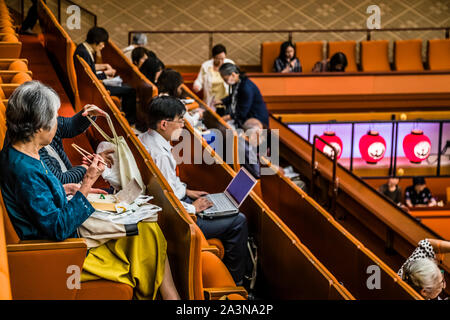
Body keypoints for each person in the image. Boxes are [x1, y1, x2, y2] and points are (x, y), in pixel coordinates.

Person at [0, 81, 179, 300]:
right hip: (62, 252)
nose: (57, 123)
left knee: (148, 231)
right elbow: (58, 228)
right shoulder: (24, 169)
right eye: (54, 118)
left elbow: (39, 196)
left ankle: (170, 297)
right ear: (39, 127)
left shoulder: (23, 151)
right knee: (146, 233)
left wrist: (64, 187)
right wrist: (87, 182)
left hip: (63, 236)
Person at [139, 96, 249, 284]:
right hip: (178, 219)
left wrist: (187, 192)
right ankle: (237, 285)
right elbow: (166, 203)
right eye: (180, 120)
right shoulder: (160, 155)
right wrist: (193, 208)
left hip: (179, 202)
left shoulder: (145, 138)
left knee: (224, 205)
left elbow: (169, 186)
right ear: (164, 124)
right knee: (239, 220)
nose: (183, 125)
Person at [74, 27, 137, 125]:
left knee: (126, 87)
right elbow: (91, 78)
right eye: (102, 44)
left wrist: (104, 67)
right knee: (130, 91)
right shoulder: (84, 53)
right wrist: (105, 75)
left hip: (93, 85)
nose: (103, 46)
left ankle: (126, 119)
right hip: (94, 89)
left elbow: (90, 69)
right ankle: (129, 122)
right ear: (96, 42)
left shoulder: (82, 47)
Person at [38, 105, 115, 185]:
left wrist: (89, 114)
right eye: (54, 118)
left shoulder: (46, 127)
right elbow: (59, 181)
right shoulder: (34, 151)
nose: (57, 121)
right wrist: (87, 168)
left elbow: (71, 125)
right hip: (62, 193)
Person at [218, 63, 269, 128]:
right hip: (245, 118)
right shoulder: (238, 82)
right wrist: (222, 101)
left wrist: (227, 117)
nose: (225, 82)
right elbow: (234, 96)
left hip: (256, 120)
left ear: (233, 75)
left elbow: (242, 112)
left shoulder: (246, 87)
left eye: (225, 79)